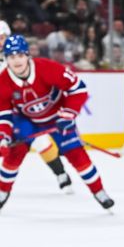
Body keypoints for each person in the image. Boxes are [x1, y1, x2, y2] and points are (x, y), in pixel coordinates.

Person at [0, 35, 114, 211]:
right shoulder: (3, 81)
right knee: (14, 153)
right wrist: (3, 137)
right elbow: (4, 114)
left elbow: (79, 89)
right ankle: (2, 192)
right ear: (6, 59)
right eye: (12, 57)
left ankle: (99, 191)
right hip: (26, 120)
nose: (17, 61)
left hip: (56, 117)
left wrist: (68, 115)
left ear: (28, 56)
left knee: (76, 153)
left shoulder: (47, 68)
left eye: (20, 55)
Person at [1, 22, 73, 193]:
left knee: (40, 142)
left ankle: (61, 173)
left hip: (21, 111)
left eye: (2, 37)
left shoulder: (17, 57)